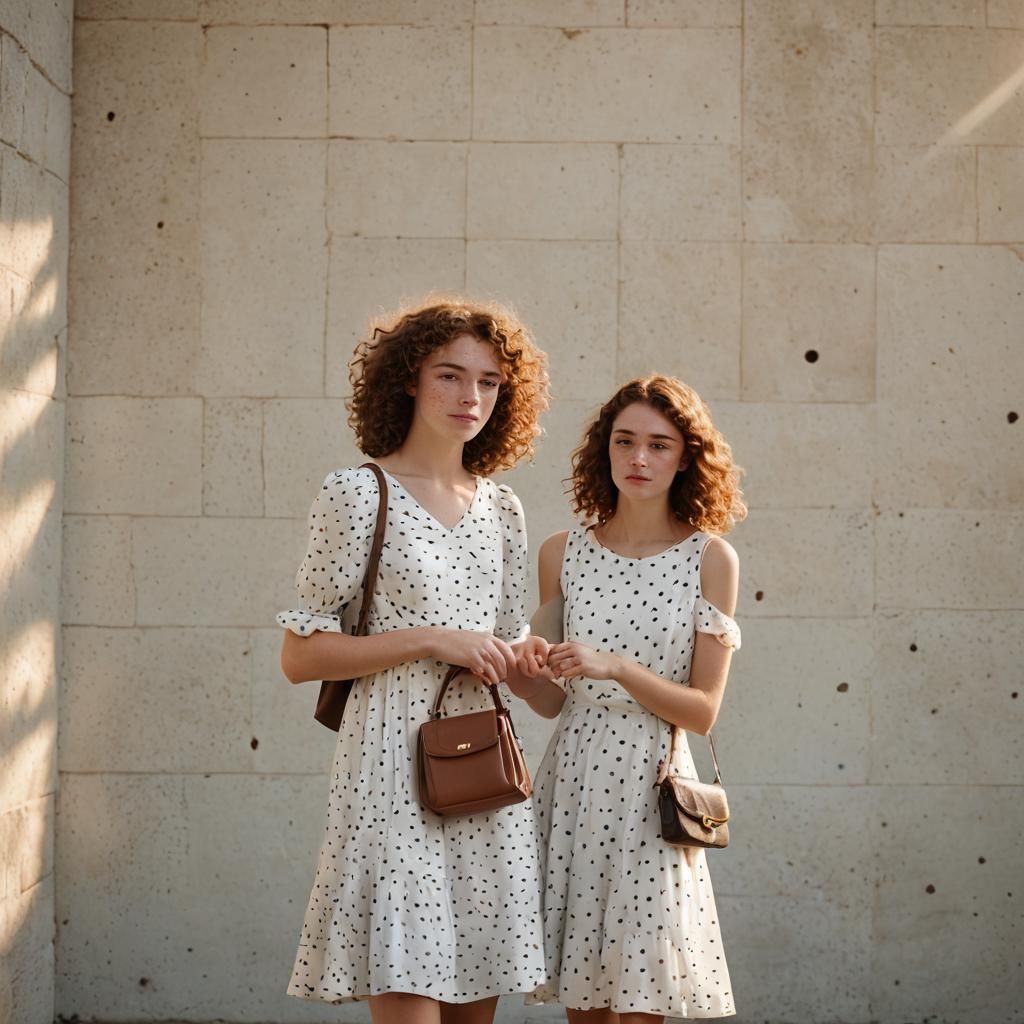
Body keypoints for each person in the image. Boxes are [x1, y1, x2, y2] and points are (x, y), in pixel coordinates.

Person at [277, 298, 550, 1024]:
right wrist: (431, 638)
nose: (471, 398)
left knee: (474, 1000)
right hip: (388, 770)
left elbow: (503, 642)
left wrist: (527, 658)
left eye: (490, 382)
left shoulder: (504, 509)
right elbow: (300, 656)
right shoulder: (356, 493)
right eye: (451, 376)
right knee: (407, 987)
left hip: (483, 768)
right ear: (407, 380)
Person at [512, 374, 746, 1022]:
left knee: (643, 999)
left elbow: (702, 711)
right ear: (603, 450)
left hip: (655, 781)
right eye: (625, 441)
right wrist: (520, 672)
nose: (639, 460)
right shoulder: (563, 552)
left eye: (659, 445)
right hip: (577, 780)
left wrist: (615, 666)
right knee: (584, 1002)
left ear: (686, 457)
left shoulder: (711, 559)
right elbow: (554, 701)